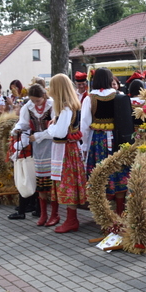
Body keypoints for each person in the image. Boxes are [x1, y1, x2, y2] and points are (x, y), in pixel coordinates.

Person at [32, 74, 88, 232]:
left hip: (66, 151)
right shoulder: (70, 106)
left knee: (68, 184)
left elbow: (60, 133)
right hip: (68, 149)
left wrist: (51, 127)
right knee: (69, 184)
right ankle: (71, 218)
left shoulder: (66, 108)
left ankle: (71, 220)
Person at [80, 68, 133, 215]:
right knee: (118, 171)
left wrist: (85, 146)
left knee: (100, 174)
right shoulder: (119, 96)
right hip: (117, 139)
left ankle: (104, 213)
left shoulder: (90, 98)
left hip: (98, 140)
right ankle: (120, 211)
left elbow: (84, 125)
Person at [10, 83, 54, 222]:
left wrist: (40, 135)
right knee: (38, 177)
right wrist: (17, 129)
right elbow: (23, 123)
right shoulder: (28, 107)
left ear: (44, 96)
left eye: (38, 100)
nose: (35, 103)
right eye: (33, 100)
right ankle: (41, 211)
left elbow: (55, 128)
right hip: (36, 145)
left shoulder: (52, 105)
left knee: (51, 178)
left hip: (51, 143)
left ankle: (51, 212)